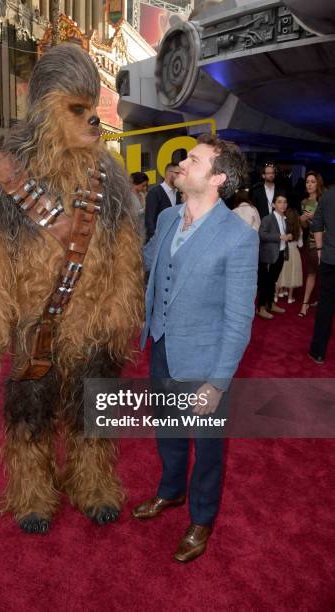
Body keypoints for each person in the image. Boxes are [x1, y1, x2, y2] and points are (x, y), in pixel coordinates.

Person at [0, 44, 144, 534]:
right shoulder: (6, 176)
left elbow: (126, 242)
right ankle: (31, 492)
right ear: (44, 108)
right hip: (34, 329)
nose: (92, 122)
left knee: (94, 412)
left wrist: (121, 302)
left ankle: (93, 482)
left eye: (93, 110)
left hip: (94, 327)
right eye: (77, 110)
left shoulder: (112, 176)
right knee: (29, 415)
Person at [132, 134, 259, 563]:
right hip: (163, 345)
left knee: (206, 446)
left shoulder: (238, 236)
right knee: (167, 428)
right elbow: (148, 262)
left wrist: (218, 383)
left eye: (194, 159)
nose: (182, 163)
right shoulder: (168, 217)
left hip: (205, 362)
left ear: (218, 178)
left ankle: (202, 518)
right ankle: (170, 491)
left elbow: (239, 319)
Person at [308, 186, 335, 364]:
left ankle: (318, 352)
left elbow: (316, 222)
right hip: (330, 257)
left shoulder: (328, 195)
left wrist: (319, 248)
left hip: (330, 258)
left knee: (325, 306)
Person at [257, 193, 293, 319]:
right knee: (265, 283)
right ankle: (260, 308)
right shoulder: (268, 218)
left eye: (284, 202)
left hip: (280, 253)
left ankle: (270, 304)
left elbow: (285, 234)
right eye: (279, 202)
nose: (283, 204)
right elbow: (261, 235)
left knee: (273, 282)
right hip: (268, 256)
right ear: (273, 205)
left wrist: (289, 236)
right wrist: (279, 237)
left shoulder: (285, 219)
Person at [298, 171, 325, 317]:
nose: (309, 184)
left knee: (325, 275)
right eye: (307, 181)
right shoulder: (304, 202)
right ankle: (304, 305)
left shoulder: (325, 200)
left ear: (318, 183)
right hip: (311, 243)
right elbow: (307, 227)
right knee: (311, 274)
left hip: (326, 244)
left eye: (312, 181)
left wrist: (317, 216)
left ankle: (323, 301)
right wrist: (302, 221)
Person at [145, 163, 181, 241]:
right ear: (168, 173)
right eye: (177, 173)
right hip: (158, 241)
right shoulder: (154, 193)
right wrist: (155, 240)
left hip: (173, 240)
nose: (180, 176)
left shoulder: (179, 193)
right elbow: (149, 220)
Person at [275, 207, 303, 304]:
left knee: (280, 272)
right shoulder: (298, 229)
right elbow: (300, 244)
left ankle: (276, 295)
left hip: (283, 252)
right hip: (294, 254)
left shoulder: (282, 227)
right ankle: (290, 298)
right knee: (292, 275)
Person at [130, 171, 149, 240]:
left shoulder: (143, 195)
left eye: (146, 185)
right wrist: (144, 210)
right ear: (136, 183)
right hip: (132, 231)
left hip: (143, 229)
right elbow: (129, 214)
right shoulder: (128, 196)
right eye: (143, 185)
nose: (145, 188)